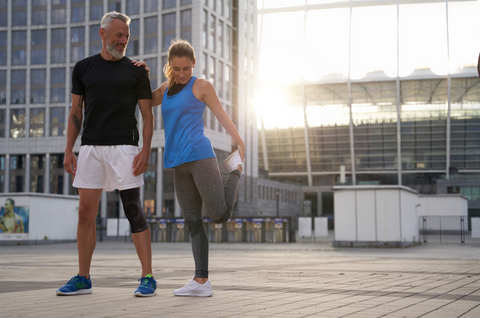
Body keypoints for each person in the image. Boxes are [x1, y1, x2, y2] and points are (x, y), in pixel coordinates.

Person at [57, 11, 156, 297]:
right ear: (102, 34)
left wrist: (145, 150)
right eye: (118, 36)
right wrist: (68, 150)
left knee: (133, 210)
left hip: (125, 147)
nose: (124, 41)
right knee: (86, 213)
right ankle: (83, 277)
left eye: (126, 36)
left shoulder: (137, 71)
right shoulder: (83, 68)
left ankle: (148, 277)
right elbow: (76, 112)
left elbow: (148, 116)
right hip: (90, 147)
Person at [149, 39, 244, 297]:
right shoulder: (166, 89)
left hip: (201, 157)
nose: (181, 74)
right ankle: (201, 281)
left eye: (186, 69)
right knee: (192, 222)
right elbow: (144, 98)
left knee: (219, 215)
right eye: (176, 69)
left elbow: (221, 114)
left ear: (193, 64)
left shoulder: (200, 85)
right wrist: (135, 72)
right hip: (177, 164)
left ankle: (235, 171)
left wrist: (240, 141)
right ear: (169, 66)